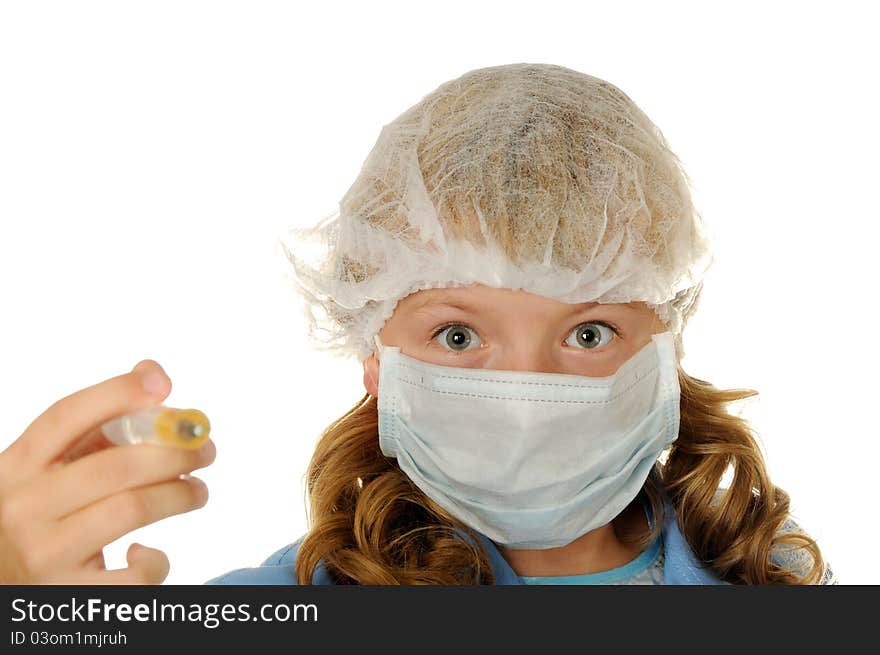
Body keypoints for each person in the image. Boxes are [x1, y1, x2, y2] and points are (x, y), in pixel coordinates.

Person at [0, 63, 835, 586]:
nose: (526, 395)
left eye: (588, 334)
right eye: (459, 336)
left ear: (666, 345)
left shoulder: (777, 584)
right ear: (374, 356)